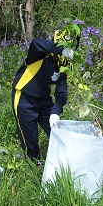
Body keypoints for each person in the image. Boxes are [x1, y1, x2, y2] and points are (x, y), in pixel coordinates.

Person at [11, 29, 79, 165]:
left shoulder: (62, 68)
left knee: (57, 132)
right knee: (30, 138)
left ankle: (66, 162)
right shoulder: (40, 55)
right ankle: (34, 165)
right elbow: (36, 42)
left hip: (43, 101)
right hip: (24, 99)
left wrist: (56, 111)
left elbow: (62, 92)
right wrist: (60, 50)